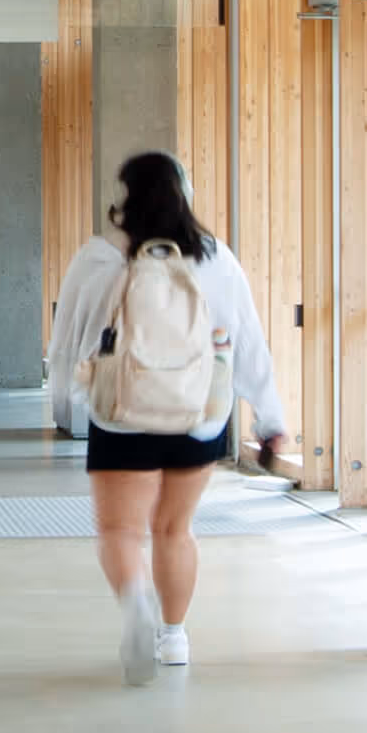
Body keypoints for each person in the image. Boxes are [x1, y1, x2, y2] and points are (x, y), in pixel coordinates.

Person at [46, 152, 291, 686]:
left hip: (121, 415)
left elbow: (69, 335)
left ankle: (136, 602)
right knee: (175, 529)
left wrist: (63, 393)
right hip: (197, 415)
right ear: (186, 195)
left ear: (124, 198)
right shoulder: (215, 257)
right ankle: (174, 637)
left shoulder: (100, 256)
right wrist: (269, 418)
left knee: (119, 529)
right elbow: (246, 342)